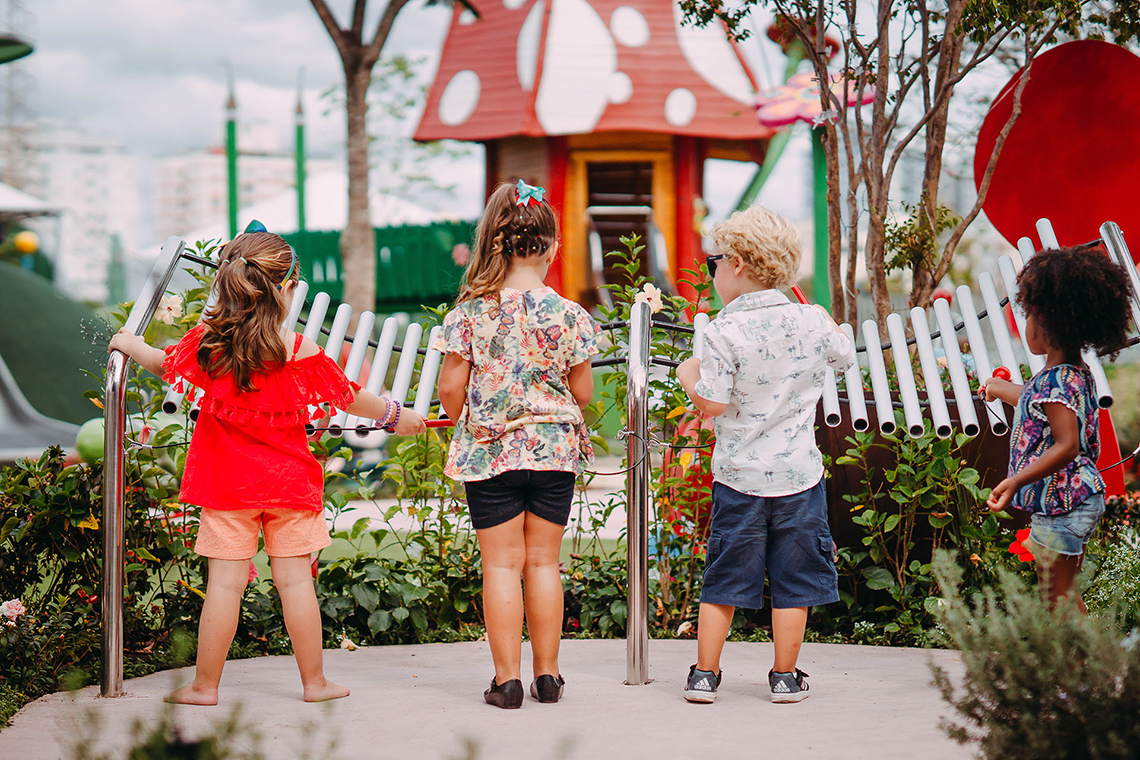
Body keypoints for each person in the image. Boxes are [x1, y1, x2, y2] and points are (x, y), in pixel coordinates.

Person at [109, 230, 426, 705]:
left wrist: (128, 342)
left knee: (225, 586)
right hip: (289, 486)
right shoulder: (301, 352)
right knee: (296, 583)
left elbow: (162, 363)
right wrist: (399, 417)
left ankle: (204, 686)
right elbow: (352, 398)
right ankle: (315, 684)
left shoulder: (208, 346)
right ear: (290, 288)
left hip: (225, 487)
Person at [675, 205, 855, 704]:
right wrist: (824, 326)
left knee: (726, 577)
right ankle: (783, 676)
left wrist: (687, 373)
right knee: (796, 581)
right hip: (799, 476)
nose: (711, 273)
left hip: (740, 479)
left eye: (713, 263)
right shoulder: (812, 321)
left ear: (735, 263)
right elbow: (844, 354)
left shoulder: (719, 332)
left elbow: (711, 402)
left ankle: (705, 675)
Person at [434, 180, 599, 709]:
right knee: (545, 564)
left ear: (493, 244)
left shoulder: (468, 314)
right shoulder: (571, 315)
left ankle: (507, 683)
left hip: (492, 451)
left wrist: (458, 417)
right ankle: (548, 678)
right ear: (551, 248)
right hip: (554, 451)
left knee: (501, 565)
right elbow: (584, 391)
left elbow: (451, 387)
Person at [981, 246, 1131, 611]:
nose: (1026, 326)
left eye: (1029, 317)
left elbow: (1066, 445)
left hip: (1065, 501)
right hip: (1072, 499)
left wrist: (1016, 480)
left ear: (1047, 324)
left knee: (1058, 597)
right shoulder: (1070, 374)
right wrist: (1000, 389)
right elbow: (1039, 405)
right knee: (1061, 595)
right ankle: (1078, 664)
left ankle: (1082, 666)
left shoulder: (1057, 380)